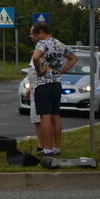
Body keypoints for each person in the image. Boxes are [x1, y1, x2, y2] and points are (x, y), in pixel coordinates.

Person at [31, 22, 78, 157]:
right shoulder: (60, 44)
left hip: (44, 84)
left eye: (35, 35)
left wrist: (38, 70)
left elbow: (35, 57)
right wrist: (63, 70)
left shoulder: (42, 44)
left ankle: (47, 149)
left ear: (41, 32)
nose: (35, 38)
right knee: (56, 117)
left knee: (45, 118)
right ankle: (57, 147)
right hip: (57, 84)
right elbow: (74, 58)